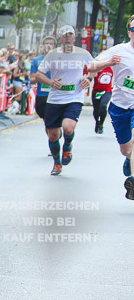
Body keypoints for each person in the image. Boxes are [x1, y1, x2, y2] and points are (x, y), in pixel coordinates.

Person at [31, 25, 93, 175]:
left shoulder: (83, 53)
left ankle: (67, 146)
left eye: (70, 34)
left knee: (68, 127)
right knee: (53, 135)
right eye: (64, 35)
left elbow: (94, 67)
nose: (67, 37)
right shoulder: (52, 55)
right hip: (54, 99)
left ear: (74, 38)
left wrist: (89, 78)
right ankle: (57, 163)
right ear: (60, 39)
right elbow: (39, 75)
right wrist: (51, 82)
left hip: (74, 97)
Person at [87, 15, 134, 198]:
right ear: (129, 32)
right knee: (126, 149)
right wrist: (108, 63)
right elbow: (91, 66)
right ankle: (128, 158)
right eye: (133, 29)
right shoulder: (120, 51)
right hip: (120, 105)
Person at [29, 35, 57, 119]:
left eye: (51, 44)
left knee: (54, 121)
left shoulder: (60, 60)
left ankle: (59, 132)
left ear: (54, 47)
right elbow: (32, 80)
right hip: (42, 94)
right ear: (43, 46)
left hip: (55, 94)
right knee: (47, 122)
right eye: (46, 43)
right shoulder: (36, 60)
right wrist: (39, 77)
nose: (48, 45)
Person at [91, 62, 114, 134]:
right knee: (96, 110)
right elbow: (90, 74)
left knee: (103, 106)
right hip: (96, 91)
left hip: (107, 91)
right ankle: (97, 122)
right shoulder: (97, 67)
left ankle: (101, 124)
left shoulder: (112, 68)